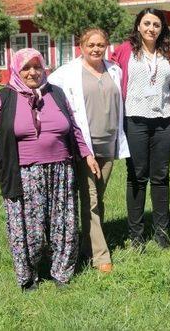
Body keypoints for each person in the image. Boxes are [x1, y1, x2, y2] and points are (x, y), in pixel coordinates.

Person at [0, 48, 99, 290]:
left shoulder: (56, 94)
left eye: (37, 67)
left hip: (61, 170)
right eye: (26, 67)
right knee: (28, 230)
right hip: (23, 173)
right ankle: (28, 278)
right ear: (17, 69)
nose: (32, 72)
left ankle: (62, 273)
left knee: (64, 224)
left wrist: (86, 153)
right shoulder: (2, 98)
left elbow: (74, 128)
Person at [48, 28, 129, 273]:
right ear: (81, 46)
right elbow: (44, 93)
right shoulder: (65, 74)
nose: (96, 49)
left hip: (109, 144)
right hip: (83, 146)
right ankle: (100, 255)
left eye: (101, 45)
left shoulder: (114, 70)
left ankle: (86, 245)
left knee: (98, 198)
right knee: (91, 199)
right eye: (91, 44)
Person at [111, 8, 170, 249]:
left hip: (163, 122)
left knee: (161, 177)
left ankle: (162, 232)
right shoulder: (124, 51)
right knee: (137, 177)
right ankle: (136, 235)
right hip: (134, 121)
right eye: (146, 23)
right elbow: (109, 77)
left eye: (156, 24)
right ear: (138, 26)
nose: (151, 28)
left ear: (162, 28)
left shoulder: (169, 54)